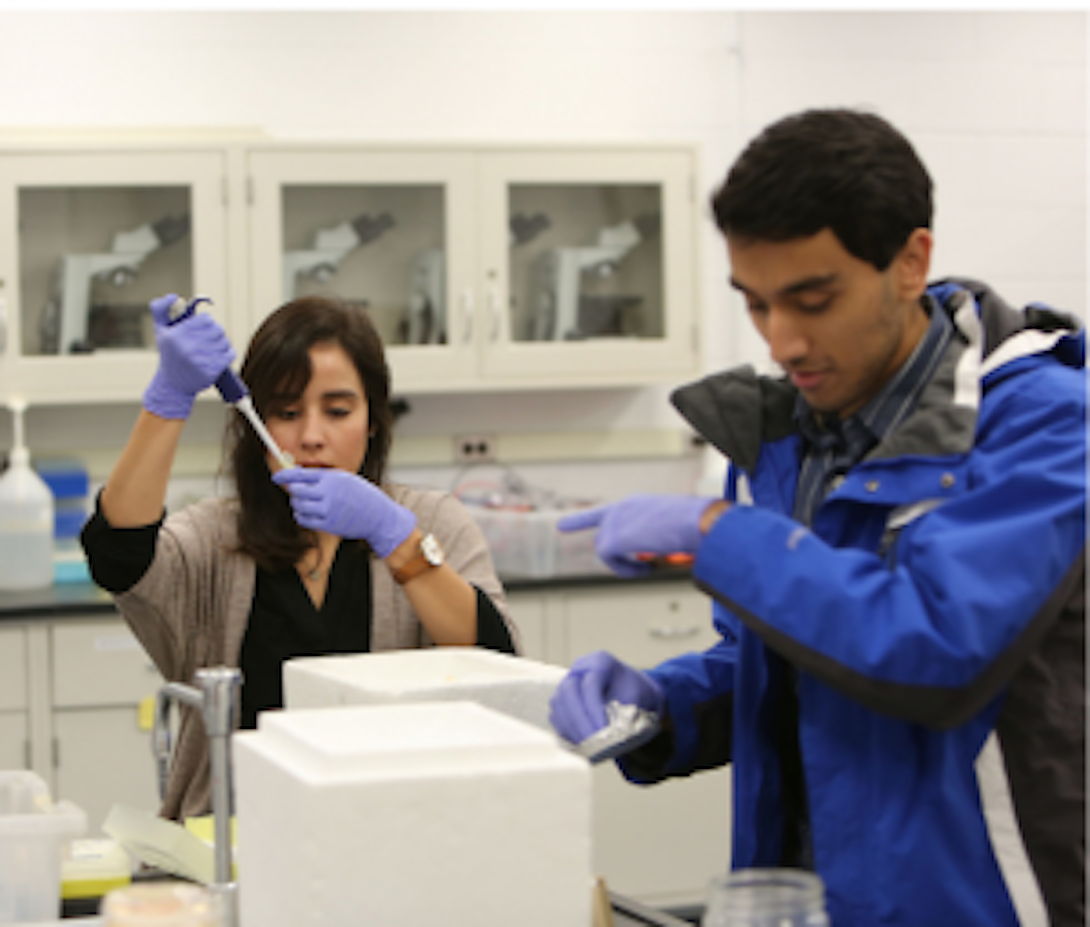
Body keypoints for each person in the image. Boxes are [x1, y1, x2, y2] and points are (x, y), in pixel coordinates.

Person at [550, 109, 1085, 927]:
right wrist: (663, 706)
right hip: (803, 898)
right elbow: (788, 665)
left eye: (812, 299)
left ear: (911, 261)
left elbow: (933, 651)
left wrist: (713, 532)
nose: (782, 341)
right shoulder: (791, 438)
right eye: (757, 304)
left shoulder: (1041, 424)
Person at [81, 294, 519, 820]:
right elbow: (117, 554)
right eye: (286, 413)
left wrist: (396, 539)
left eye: (338, 411)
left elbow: (499, 666)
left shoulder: (433, 522)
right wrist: (168, 398)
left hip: (396, 831)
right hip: (235, 844)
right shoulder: (212, 539)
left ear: (373, 419)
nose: (312, 436)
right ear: (253, 421)